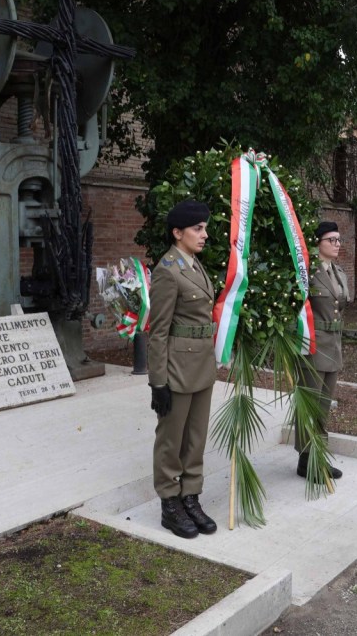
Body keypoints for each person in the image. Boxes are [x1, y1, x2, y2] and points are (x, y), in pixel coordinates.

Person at [148, 199, 218, 539]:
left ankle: (191, 496)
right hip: (176, 369)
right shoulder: (167, 270)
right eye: (198, 228)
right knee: (171, 439)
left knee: (195, 437)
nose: (204, 234)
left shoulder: (194, 265)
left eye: (204, 227)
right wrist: (157, 382)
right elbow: (158, 331)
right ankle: (170, 503)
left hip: (202, 365)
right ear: (178, 233)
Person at [295, 221, 347, 481]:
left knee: (324, 406)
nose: (337, 244)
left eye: (338, 240)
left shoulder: (338, 272)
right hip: (313, 346)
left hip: (333, 346)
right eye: (331, 240)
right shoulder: (307, 271)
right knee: (310, 405)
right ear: (318, 243)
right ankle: (307, 459)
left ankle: (317, 456)